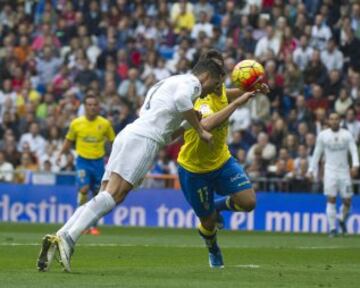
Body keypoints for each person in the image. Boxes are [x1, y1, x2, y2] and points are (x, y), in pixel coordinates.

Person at [36, 58, 224, 272]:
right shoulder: (192, 84)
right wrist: (199, 129)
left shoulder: (167, 82)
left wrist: (188, 122)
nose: (210, 92)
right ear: (207, 76)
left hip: (130, 133)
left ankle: (61, 235)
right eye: (215, 84)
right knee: (116, 194)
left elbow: (165, 128)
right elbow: (181, 101)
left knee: (105, 193)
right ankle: (69, 239)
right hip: (145, 140)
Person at [177, 50, 268, 268]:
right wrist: (239, 103)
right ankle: (213, 248)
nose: (222, 75)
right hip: (194, 170)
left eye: (223, 70)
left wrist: (252, 88)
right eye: (217, 70)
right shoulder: (196, 97)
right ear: (206, 74)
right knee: (207, 223)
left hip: (222, 161)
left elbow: (228, 94)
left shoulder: (220, 91)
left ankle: (217, 207)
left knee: (249, 203)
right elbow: (205, 125)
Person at [56, 92, 116, 235]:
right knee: (83, 189)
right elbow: (69, 140)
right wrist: (60, 154)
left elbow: (114, 142)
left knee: (98, 195)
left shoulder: (105, 124)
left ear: (99, 107)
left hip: (98, 163)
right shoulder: (76, 123)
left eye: (95, 105)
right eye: (89, 105)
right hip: (83, 161)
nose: (92, 107)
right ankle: (79, 223)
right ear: (84, 106)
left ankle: (92, 226)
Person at [308, 112, 359, 237]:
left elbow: (353, 150)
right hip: (330, 172)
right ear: (329, 121)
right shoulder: (323, 135)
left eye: (336, 119)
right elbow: (317, 154)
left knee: (347, 200)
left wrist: (356, 165)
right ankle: (332, 228)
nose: (334, 121)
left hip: (344, 172)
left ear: (340, 121)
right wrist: (311, 170)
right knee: (331, 199)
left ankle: (341, 219)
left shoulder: (346, 134)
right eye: (332, 119)